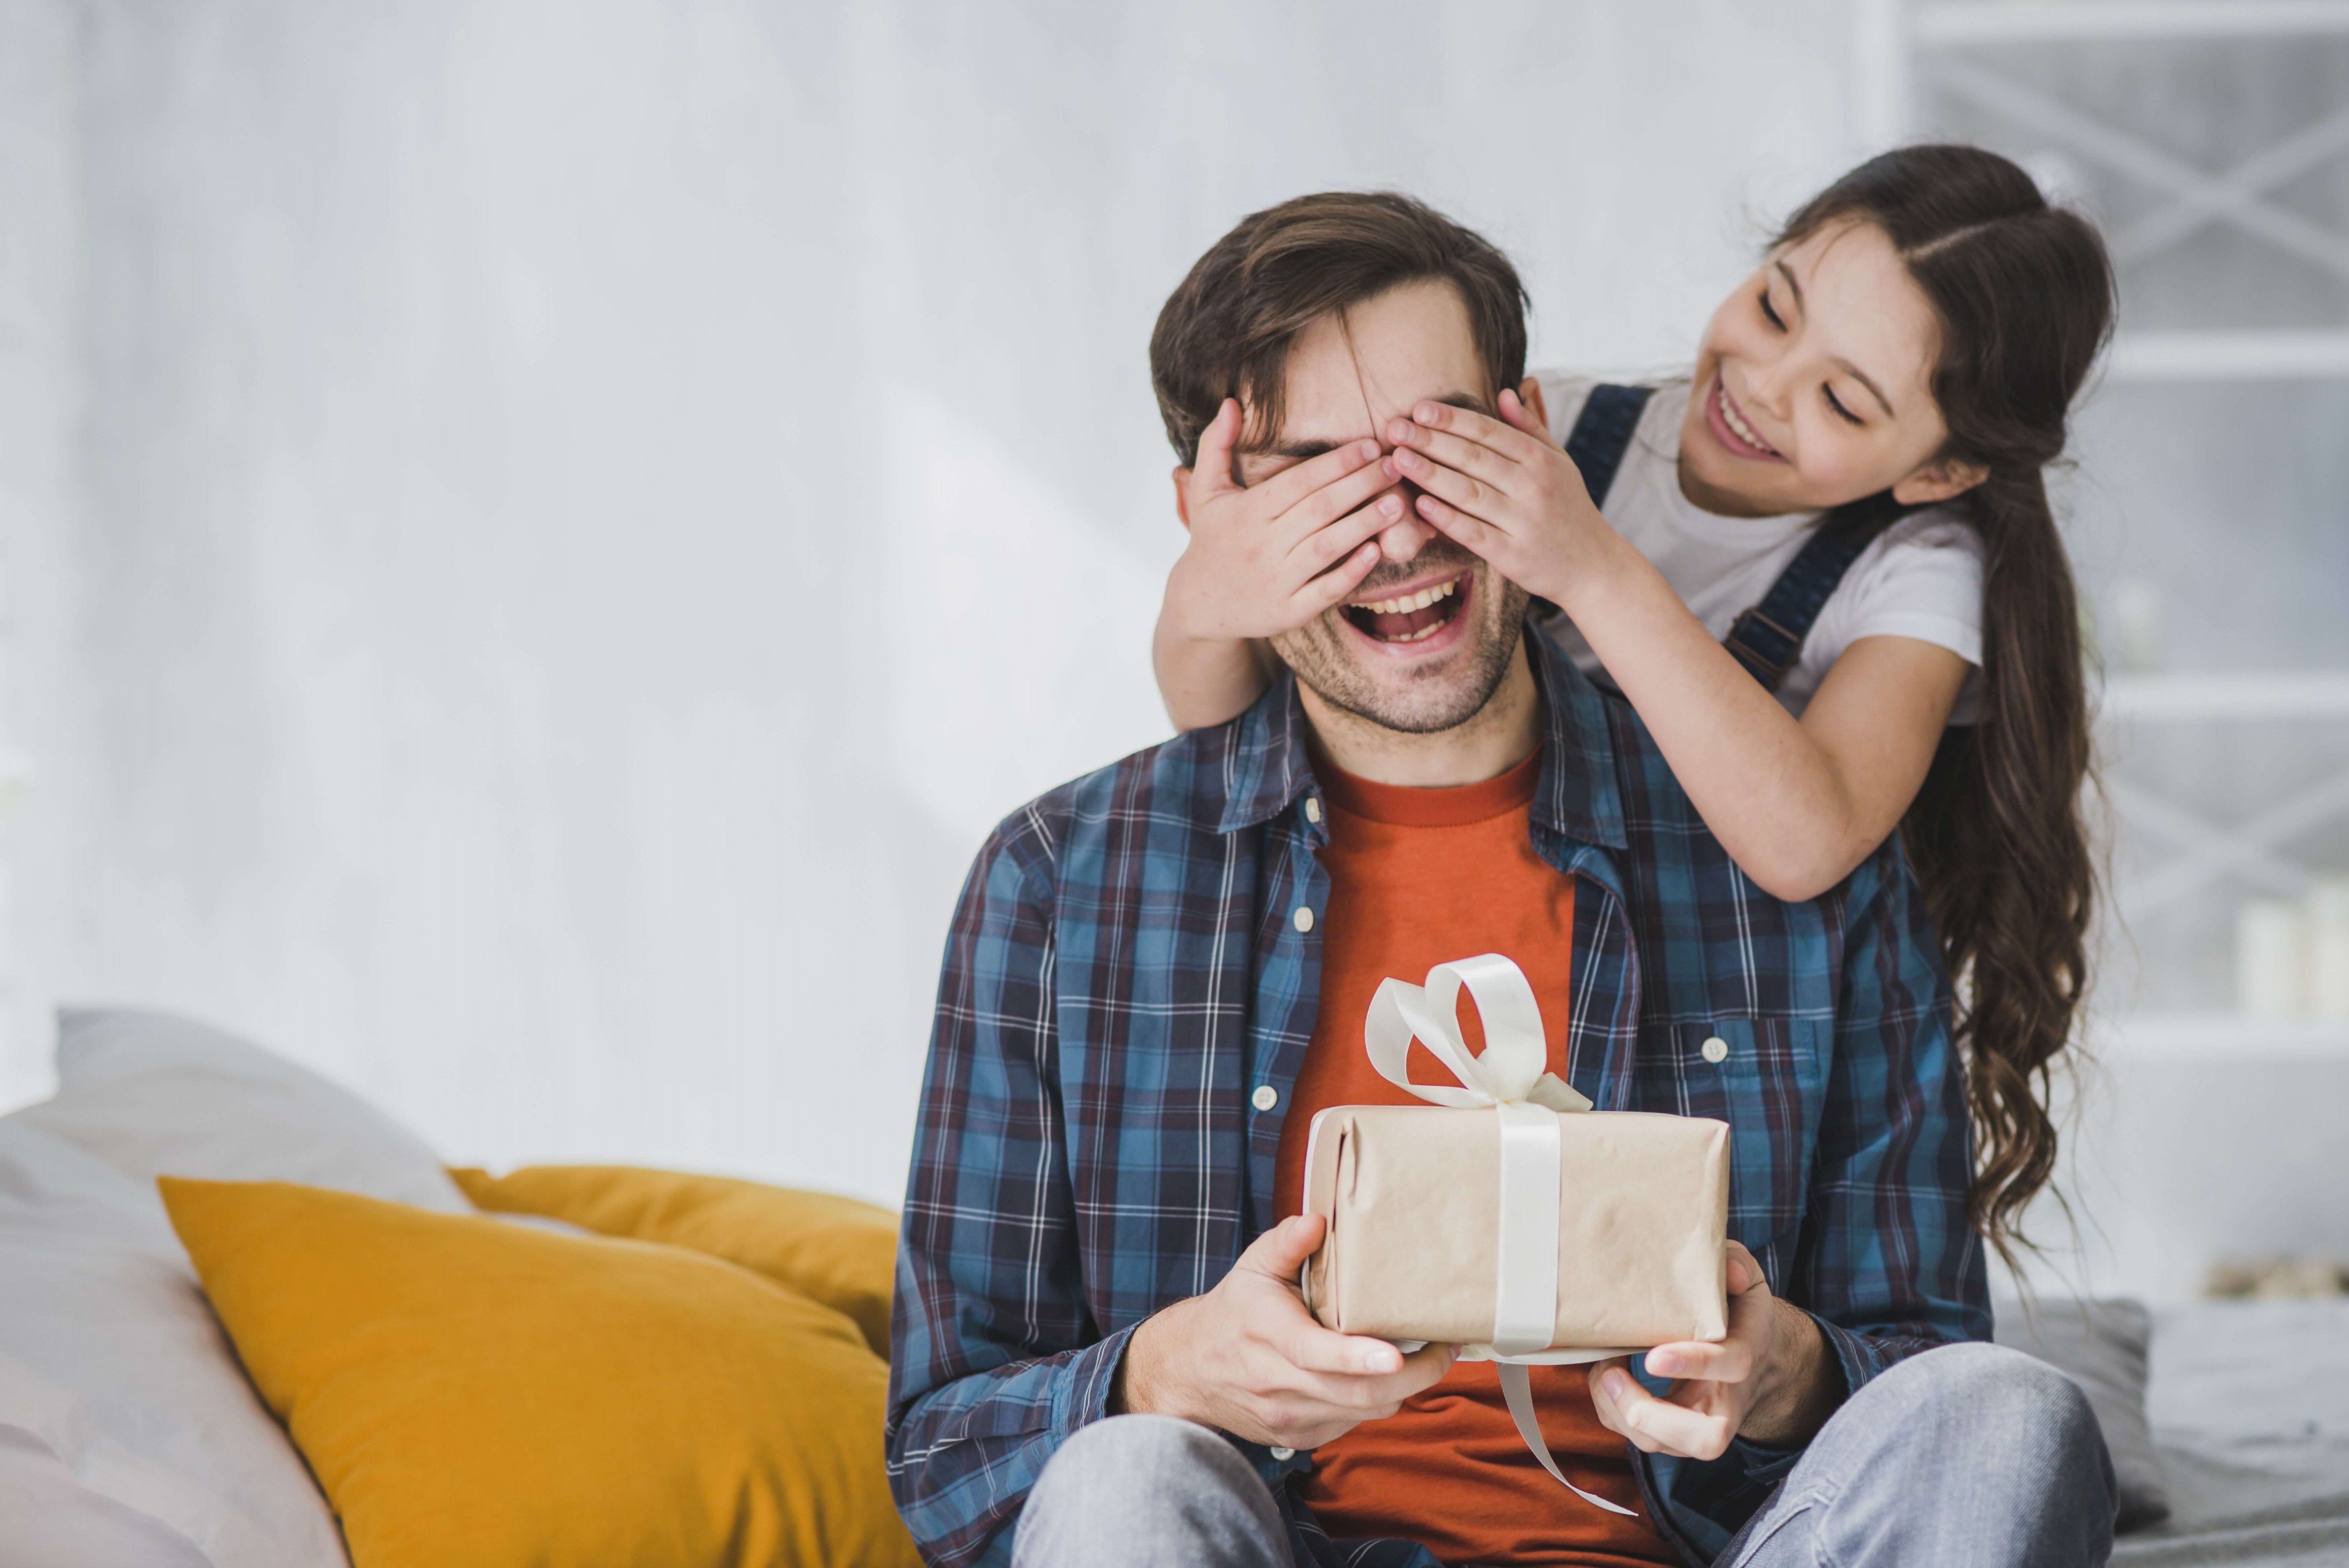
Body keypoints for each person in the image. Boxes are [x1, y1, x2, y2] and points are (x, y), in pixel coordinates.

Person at [887, 191, 2114, 1568]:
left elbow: (1919, 1356)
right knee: (1125, 1479)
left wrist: (1779, 1370)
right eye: (1314, 482)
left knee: (2005, 1418)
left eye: (1440, 456)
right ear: (1212, 517)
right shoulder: (1060, 887)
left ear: (1529, 442)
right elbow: (941, 1447)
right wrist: (1166, 1373)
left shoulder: (1807, 858)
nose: (1396, 533)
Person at [1151, 145, 2114, 1265]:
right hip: (1433, 933)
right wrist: (1206, 599)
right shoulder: (1579, 421)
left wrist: (1593, 566)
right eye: (1773, 306)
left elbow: (1810, 838)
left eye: (1843, 400)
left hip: (1668, 1006)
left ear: (1940, 469)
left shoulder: (1918, 568)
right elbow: (1222, 727)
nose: (1763, 382)